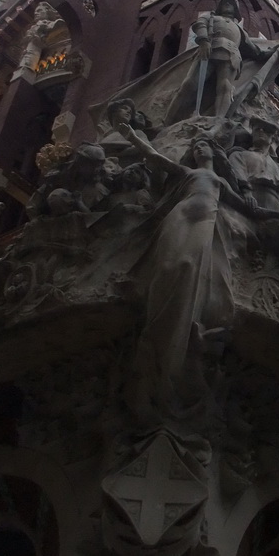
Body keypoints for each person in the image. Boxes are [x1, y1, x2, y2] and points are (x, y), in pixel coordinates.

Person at [115, 120, 242, 422]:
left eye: (203, 145)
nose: (198, 149)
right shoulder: (189, 172)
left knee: (188, 267)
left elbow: (246, 206)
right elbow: (157, 158)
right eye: (195, 146)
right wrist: (133, 136)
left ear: (213, 151)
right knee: (170, 264)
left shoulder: (220, 182)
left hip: (205, 220)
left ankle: (178, 342)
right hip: (180, 215)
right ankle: (157, 340)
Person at [191, 0, 270, 118]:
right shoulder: (211, 17)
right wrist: (203, 40)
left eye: (231, 3)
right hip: (210, 50)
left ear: (236, 9)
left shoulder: (240, 30)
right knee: (190, 83)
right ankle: (167, 119)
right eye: (225, 3)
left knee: (225, 86)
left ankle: (219, 119)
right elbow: (200, 25)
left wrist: (272, 52)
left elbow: (255, 51)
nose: (227, 4)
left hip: (231, 57)